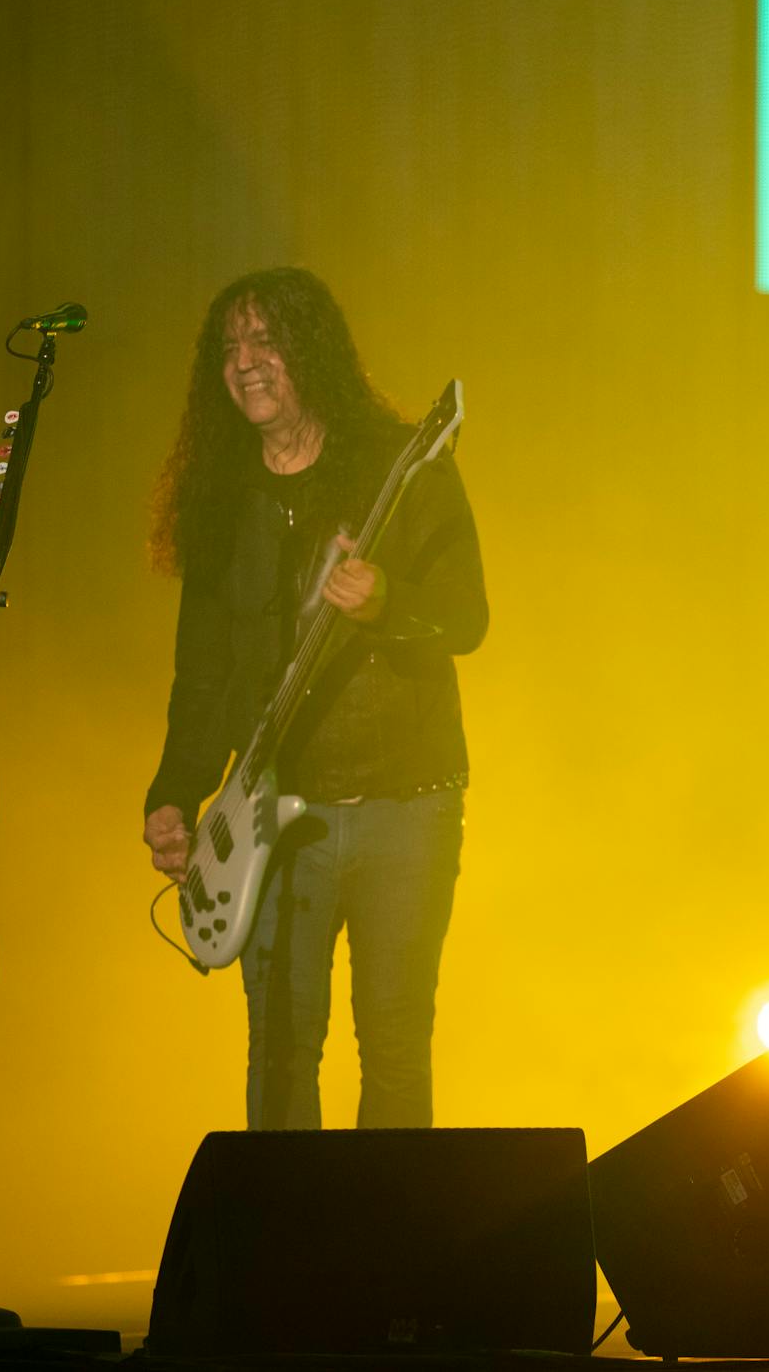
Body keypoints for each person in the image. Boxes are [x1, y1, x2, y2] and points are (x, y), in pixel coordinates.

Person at [142, 266, 487, 1131]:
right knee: (281, 1049)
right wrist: (174, 793)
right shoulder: (224, 505)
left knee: (396, 1045)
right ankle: (287, 1250)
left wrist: (384, 607)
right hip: (276, 819)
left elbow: (467, 618)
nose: (246, 362)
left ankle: (387, 1251)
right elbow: (204, 678)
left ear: (313, 354)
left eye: (267, 342)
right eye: (231, 347)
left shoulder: (400, 473)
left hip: (405, 806)